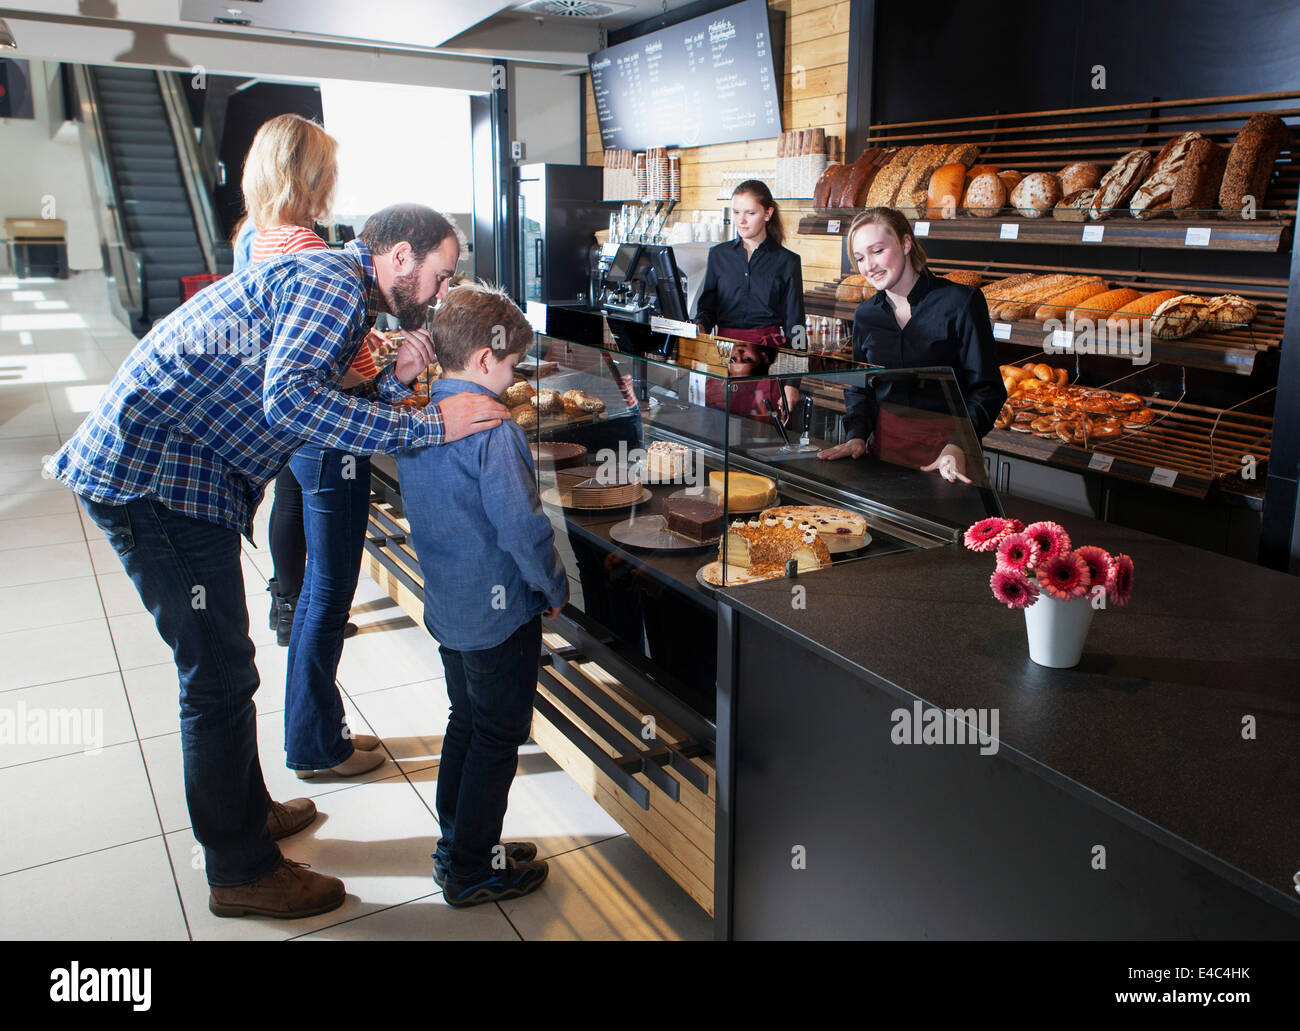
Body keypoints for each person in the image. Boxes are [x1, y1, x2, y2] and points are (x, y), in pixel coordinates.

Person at [46, 203, 507, 919]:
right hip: (158, 477)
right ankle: (239, 868)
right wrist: (425, 420)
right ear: (399, 258)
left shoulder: (344, 291)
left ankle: (245, 812)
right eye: (440, 275)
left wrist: (392, 380)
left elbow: (307, 391)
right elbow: (288, 401)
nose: (441, 293)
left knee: (226, 666)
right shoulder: (331, 283)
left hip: (176, 471)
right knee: (219, 676)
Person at [396, 282, 567, 908]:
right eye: (514, 363)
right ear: (485, 361)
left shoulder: (418, 417)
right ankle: (471, 868)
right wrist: (553, 586)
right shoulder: (493, 429)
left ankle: (459, 843)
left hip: (448, 604)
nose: (514, 375)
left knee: (464, 723)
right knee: (497, 737)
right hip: (500, 617)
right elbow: (521, 527)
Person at [233, 114, 369, 647]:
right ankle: (311, 614)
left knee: (286, 493)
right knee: (306, 500)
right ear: (309, 175)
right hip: (300, 393)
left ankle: (286, 603)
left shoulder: (253, 235)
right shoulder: (308, 249)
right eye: (328, 169)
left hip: (268, 386)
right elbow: (332, 349)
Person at [817, 207, 1005, 482]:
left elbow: (987, 389)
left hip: (951, 456)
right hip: (884, 453)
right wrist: (856, 435)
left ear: (905, 243)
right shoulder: (865, 315)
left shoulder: (960, 302)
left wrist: (958, 443)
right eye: (859, 258)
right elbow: (860, 388)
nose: (868, 266)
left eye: (878, 251)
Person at [695, 179, 805, 422]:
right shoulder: (718, 255)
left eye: (750, 213)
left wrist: (792, 383)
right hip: (723, 359)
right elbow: (707, 308)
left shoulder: (787, 262)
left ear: (768, 213)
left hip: (765, 362)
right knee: (715, 430)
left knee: (761, 436)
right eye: (736, 212)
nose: (741, 221)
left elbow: (796, 326)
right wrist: (699, 326)